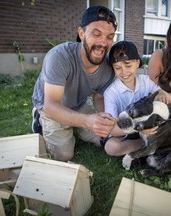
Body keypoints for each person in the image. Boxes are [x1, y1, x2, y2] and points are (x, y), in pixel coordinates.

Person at [31, 6, 117, 161]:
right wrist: (87, 121)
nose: (103, 43)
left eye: (109, 37)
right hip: (52, 105)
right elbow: (51, 104)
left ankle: (74, 124)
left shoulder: (108, 67)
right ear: (81, 33)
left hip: (79, 104)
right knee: (64, 155)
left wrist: (104, 120)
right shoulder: (59, 56)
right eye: (96, 34)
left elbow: (98, 98)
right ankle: (38, 118)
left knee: (104, 140)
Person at [103, 41, 171, 156]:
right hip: (127, 133)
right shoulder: (110, 93)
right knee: (111, 147)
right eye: (118, 67)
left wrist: (162, 93)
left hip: (151, 127)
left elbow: (167, 98)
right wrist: (139, 129)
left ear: (137, 63)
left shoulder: (145, 81)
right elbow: (112, 129)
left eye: (128, 65)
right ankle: (149, 144)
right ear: (113, 68)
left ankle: (154, 141)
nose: (124, 71)